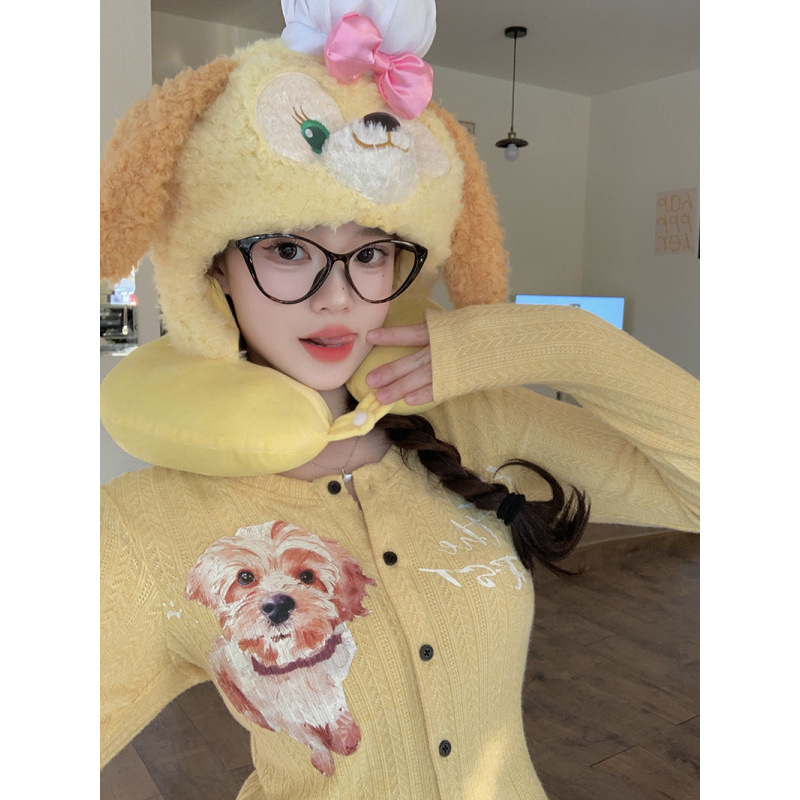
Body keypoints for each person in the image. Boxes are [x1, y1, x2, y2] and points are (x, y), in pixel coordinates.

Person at [100, 2, 699, 798]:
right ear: (216, 268)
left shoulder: (482, 423)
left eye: (372, 252)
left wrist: (566, 340)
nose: (339, 297)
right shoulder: (141, 525)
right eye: (288, 248)